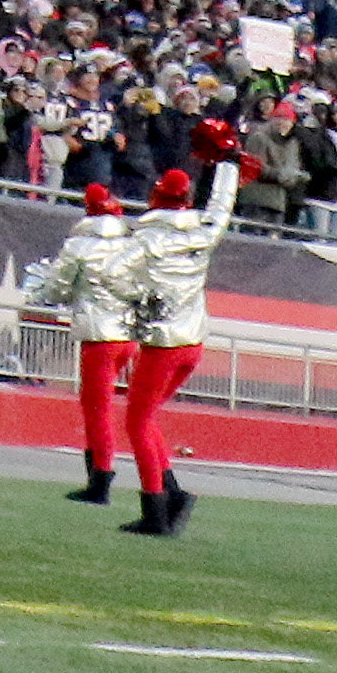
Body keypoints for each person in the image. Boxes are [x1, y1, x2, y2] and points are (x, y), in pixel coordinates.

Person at [123, 123, 245, 537]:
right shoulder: (203, 230)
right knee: (148, 418)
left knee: (137, 423)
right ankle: (171, 494)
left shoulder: (144, 237)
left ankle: (155, 509)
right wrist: (228, 163)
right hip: (192, 340)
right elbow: (222, 205)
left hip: (161, 342)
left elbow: (120, 277)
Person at [28, 183, 146, 507]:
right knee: (105, 406)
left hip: (99, 335)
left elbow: (56, 288)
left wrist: (44, 294)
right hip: (128, 334)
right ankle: (99, 477)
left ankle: (100, 479)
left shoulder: (78, 245)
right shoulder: (130, 243)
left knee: (97, 409)